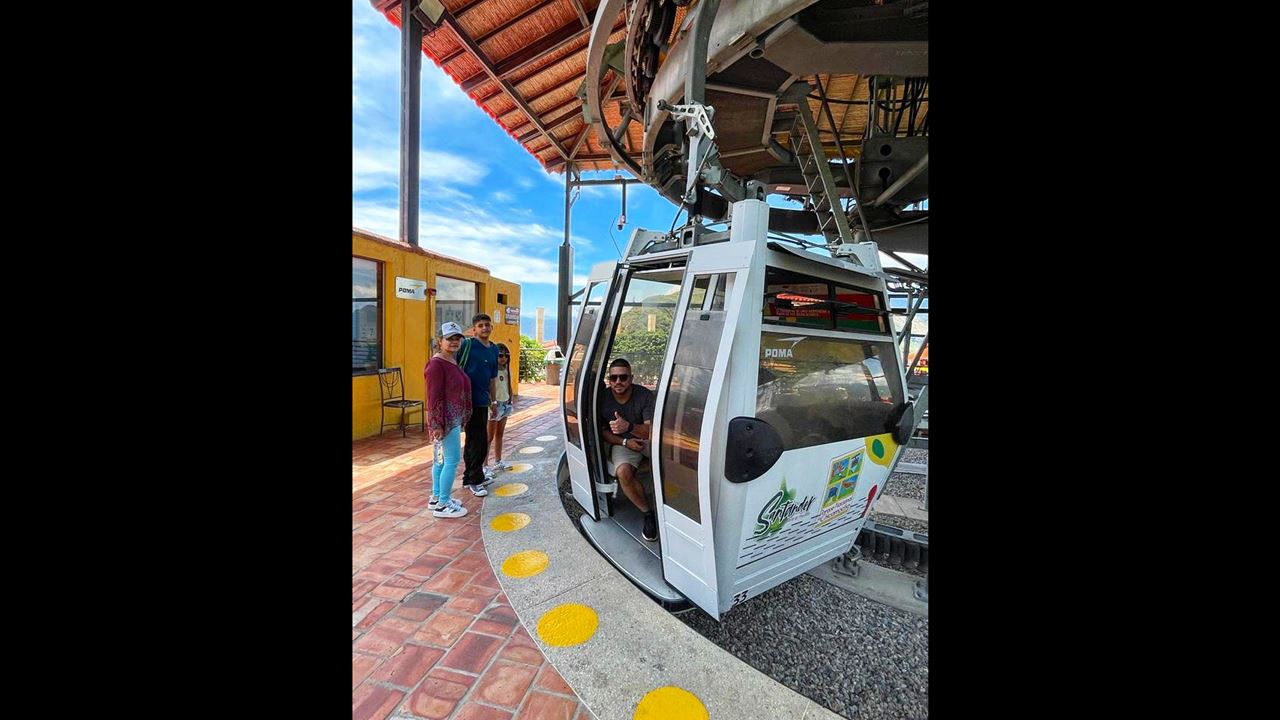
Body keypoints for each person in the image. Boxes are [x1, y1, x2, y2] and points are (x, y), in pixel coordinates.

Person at [597, 358, 659, 542]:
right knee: (623, 472)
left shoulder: (644, 395)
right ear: (609, 379)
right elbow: (603, 433)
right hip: (624, 443)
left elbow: (651, 431)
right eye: (613, 377)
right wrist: (625, 442)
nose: (618, 382)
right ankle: (649, 514)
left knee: (673, 462)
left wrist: (628, 427)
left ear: (631, 378)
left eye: (623, 377)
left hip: (649, 440)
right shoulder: (603, 399)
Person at [424, 322, 472, 519]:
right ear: (439, 341)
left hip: (450, 419)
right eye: (449, 338)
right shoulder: (436, 365)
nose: (454, 342)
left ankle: (436, 497)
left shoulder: (450, 360)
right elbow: (433, 396)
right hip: (445, 421)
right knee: (451, 461)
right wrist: (437, 424)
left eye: (457, 338)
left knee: (441, 460)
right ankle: (443, 504)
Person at [458, 313, 500, 496]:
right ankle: (474, 480)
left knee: (475, 440)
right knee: (478, 441)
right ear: (474, 329)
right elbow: (452, 366)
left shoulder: (494, 349)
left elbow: (492, 378)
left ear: (491, 328)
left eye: (487, 325)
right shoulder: (467, 345)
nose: (485, 328)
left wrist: (494, 400)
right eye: (481, 325)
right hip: (467, 401)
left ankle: (471, 477)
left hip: (483, 401)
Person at [486, 343, 515, 475]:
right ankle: (484, 465)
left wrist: (510, 399)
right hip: (495, 405)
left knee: (500, 434)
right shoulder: (491, 371)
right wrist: (492, 404)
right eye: (500, 355)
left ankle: (498, 461)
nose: (503, 358)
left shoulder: (506, 370)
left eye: (506, 356)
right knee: (489, 436)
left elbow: (508, 385)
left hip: (505, 404)